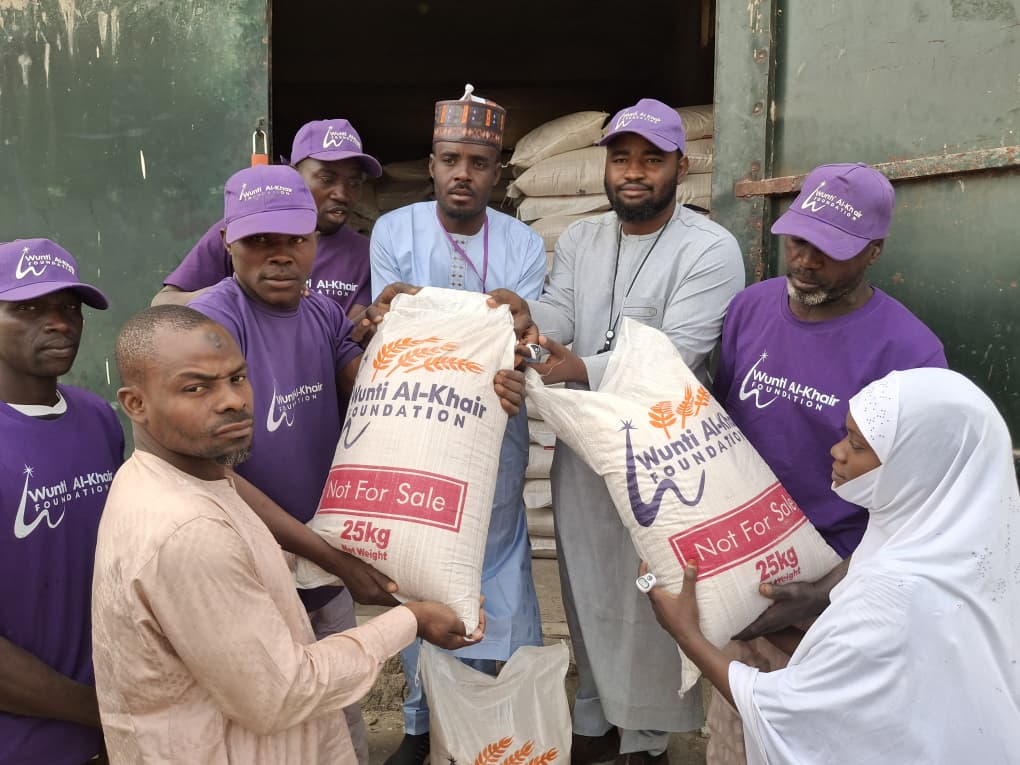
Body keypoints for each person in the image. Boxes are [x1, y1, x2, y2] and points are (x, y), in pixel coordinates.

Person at [92, 304, 486, 764]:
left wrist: (361, 567)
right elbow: (280, 695)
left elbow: (246, 562)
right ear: (135, 404)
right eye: (196, 387)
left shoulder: (174, 477)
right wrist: (412, 620)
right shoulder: (188, 531)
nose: (232, 400)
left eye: (237, 378)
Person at [490, 97, 745, 764]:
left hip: (664, 452)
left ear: (681, 167)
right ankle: (596, 713)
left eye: (651, 160)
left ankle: (646, 737)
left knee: (648, 591)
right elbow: (562, 313)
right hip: (586, 446)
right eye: (622, 157)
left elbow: (680, 353)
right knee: (588, 585)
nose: (633, 172)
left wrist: (579, 367)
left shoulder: (710, 249)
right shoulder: (582, 238)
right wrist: (525, 316)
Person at [643, 367, 1020, 764]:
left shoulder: (893, 594)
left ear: (915, 465)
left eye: (857, 445)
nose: (837, 451)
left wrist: (686, 633)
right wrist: (759, 623)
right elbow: (868, 669)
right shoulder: (966, 552)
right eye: (846, 435)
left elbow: (783, 714)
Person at [708, 162, 947, 764]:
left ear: (874, 251)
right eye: (797, 240)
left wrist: (829, 595)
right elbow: (722, 430)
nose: (806, 261)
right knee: (734, 741)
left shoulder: (911, 353)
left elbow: (917, 511)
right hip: (743, 567)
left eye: (829, 250)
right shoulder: (749, 309)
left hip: (840, 588)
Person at [370, 84, 546, 765]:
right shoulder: (394, 230)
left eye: (478, 162)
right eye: (450, 160)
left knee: (496, 564)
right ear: (432, 163)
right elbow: (393, 331)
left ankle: (489, 719)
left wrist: (508, 338)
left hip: (496, 428)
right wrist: (479, 324)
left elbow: (520, 339)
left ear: (497, 171)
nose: (462, 174)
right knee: (421, 574)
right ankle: (420, 723)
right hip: (415, 427)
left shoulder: (524, 243)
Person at [0, 238, 121, 764]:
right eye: (28, 309)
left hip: (113, 735)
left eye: (69, 307)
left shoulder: (98, 417)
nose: (58, 323)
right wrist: (103, 711)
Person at [153, 118, 382, 318]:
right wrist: (233, 295)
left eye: (354, 182)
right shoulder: (243, 230)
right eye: (326, 178)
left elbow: (346, 337)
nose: (341, 194)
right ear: (294, 174)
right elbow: (162, 304)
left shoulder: (366, 253)